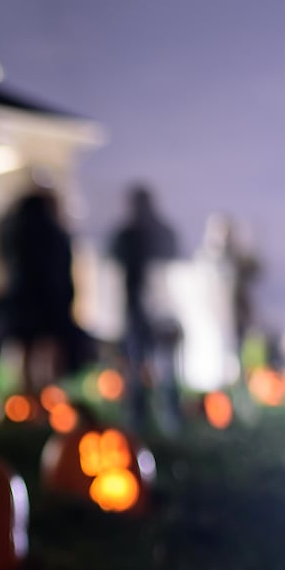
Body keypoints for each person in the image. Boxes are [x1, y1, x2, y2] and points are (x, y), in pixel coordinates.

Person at [0, 174, 87, 396]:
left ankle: (27, 392)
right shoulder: (51, 231)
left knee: (28, 345)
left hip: (23, 295)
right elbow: (60, 267)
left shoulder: (13, 227)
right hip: (46, 297)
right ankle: (44, 393)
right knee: (47, 345)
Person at [110, 183, 181, 432]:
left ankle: (167, 418)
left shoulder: (155, 234)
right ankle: (140, 417)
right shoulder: (130, 235)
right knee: (137, 365)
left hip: (158, 310)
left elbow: (171, 273)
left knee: (163, 366)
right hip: (136, 310)